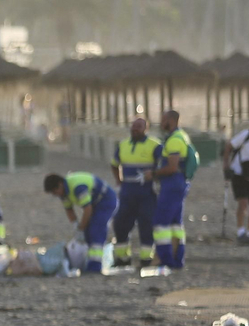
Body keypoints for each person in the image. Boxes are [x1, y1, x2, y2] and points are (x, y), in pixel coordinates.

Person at [44, 171, 118, 274]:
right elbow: (69, 210)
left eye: (55, 192)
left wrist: (81, 228)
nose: (56, 195)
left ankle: (95, 266)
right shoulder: (64, 193)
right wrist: (75, 225)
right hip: (95, 204)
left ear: (60, 185)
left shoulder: (77, 187)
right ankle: (88, 262)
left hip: (106, 200)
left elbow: (87, 209)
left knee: (96, 230)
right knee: (88, 232)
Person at [110, 116, 160, 267]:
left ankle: (146, 259)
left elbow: (163, 166)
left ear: (146, 129)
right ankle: (123, 258)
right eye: (133, 126)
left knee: (146, 225)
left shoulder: (155, 145)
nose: (135, 129)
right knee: (120, 224)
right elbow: (114, 164)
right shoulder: (123, 145)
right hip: (127, 193)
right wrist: (118, 180)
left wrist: (155, 177)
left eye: (139, 126)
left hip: (147, 194)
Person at [152, 109, 194, 270]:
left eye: (163, 120)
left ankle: (165, 259)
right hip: (178, 183)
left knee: (161, 222)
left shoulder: (175, 140)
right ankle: (177, 260)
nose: (161, 123)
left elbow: (172, 167)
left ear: (171, 120)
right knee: (176, 224)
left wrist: (153, 174)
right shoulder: (180, 136)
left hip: (172, 184)